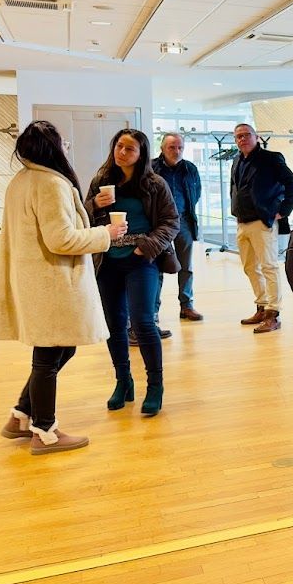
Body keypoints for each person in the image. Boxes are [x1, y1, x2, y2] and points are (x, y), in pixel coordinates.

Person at [0, 121, 128, 454]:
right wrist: (105, 235)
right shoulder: (51, 184)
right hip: (52, 283)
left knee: (60, 349)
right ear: (52, 147)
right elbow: (61, 239)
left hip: (34, 280)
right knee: (48, 354)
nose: (67, 147)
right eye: (63, 142)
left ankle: (21, 415)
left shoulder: (21, 181)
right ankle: (44, 430)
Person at [87, 129, 180, 417]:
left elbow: (171, 221)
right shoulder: (101, 181)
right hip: (107, 261)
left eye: (130, 149)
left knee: (143, 322)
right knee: (114, 325)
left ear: (141, 154)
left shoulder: (155, 184)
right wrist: (94, 205)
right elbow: (79, 217)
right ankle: (123, 381)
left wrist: (146, 246)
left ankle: (155, 386)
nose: (122, 152)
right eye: (119, 146)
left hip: (141, 260)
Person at [230, 123, 293, 333]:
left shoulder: (271, 159)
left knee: (269, 267)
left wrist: (283, 211)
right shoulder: (237, 161)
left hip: (262, 222)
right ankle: (261, 306)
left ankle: (273, 313)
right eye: (238, 136)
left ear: (256, 137)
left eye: (246, 135)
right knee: (250, 267)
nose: (242, 139)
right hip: (242, 222)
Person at [151, 132, 203, 321]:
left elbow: (196, 193)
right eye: (172, 147)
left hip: (183, 221)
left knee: (185, 266)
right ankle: (153, 310)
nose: (177, 151)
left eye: (180, 147)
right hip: (158, 223)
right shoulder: (151, 168)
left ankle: (186, 306)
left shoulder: (190, 168)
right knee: (157, 266)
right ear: (162, 148)